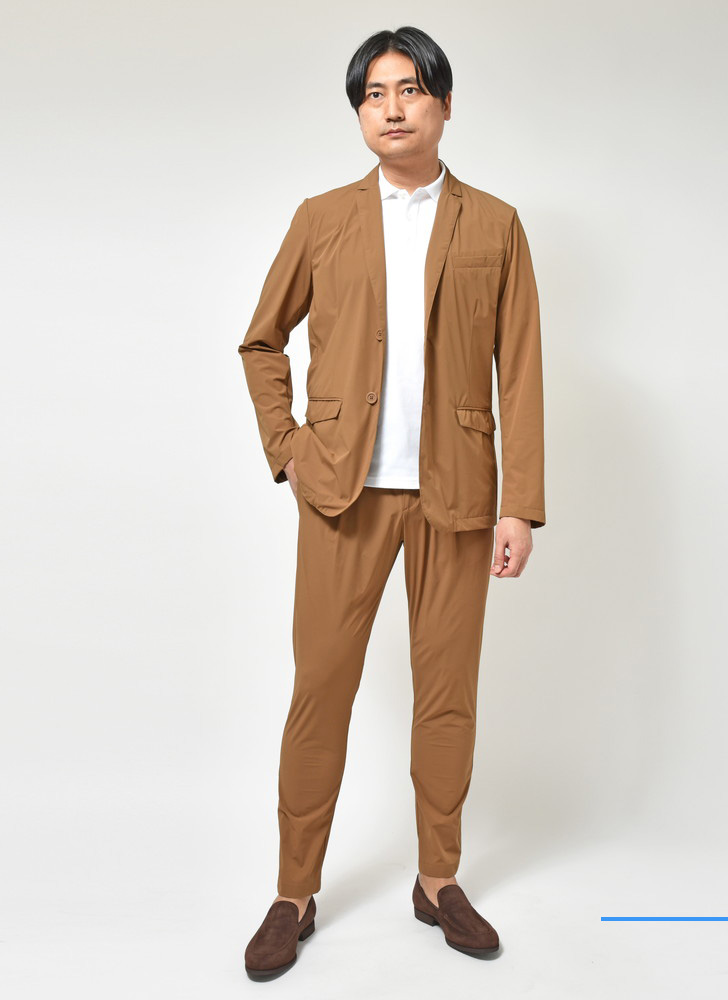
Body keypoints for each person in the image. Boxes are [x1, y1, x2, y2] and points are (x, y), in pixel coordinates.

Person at [237, 24, 546, 980]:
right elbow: (262, 342)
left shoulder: (495, 225)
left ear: (444, 104)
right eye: (374, 94)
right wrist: (289, 450)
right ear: (360, 113)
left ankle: (438, 880)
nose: (392, 108)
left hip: (459, 497)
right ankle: (294, 892)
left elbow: (520, 370)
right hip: (342, 495)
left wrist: (520, 505)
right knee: (320, 691)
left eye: (410, 89)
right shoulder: (322, 217)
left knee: (447, 698)